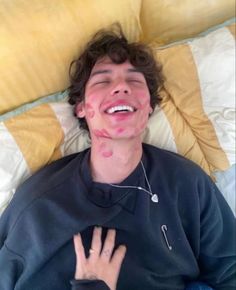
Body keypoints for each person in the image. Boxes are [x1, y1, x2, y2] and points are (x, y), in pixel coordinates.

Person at [0, 24, 235, 290]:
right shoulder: (38, 204)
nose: (122, 86)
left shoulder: (188, 184)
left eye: (135, 81)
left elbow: (229, 271)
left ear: (149, 107)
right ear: (81, 108)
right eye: (103, 80)